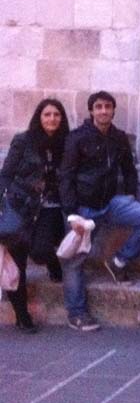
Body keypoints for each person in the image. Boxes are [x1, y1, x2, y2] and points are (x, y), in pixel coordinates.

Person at [59, 91, 140, 332]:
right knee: (74, 261)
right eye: (98, 107)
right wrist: (72, 214)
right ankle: (76, 313)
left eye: (108, 107)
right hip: (83, 208)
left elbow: (129, 169)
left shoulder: (118, 137)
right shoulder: (77, 138)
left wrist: (130, 194)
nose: (103, 111)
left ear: (113, 110)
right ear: (91, 111)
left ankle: (120, 260)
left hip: (111, 203)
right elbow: (66, 176)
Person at [0, 98, 70, 333]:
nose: (52, 119)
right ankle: (22, 315)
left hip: (49, 207)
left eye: (57, 115)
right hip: (22, 207)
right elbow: (6, 174)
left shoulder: (66, 142)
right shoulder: (23, 140)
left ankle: (52, 261)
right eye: (47, 114)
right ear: (39, 117)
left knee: (41, 251)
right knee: (17, 263)